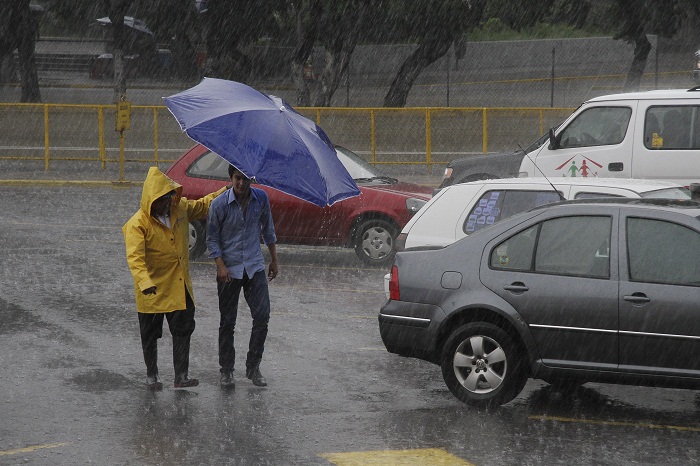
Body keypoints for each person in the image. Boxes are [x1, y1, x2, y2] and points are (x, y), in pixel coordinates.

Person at [123, 166, 226, 391]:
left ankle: (181, 375)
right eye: (163, 199)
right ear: (152, 199)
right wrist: (145, 282)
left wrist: (225, 191)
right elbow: (136, 259)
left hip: (179, 287)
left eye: (170, 197)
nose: (168, 203)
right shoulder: (137, 225)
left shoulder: (180, 209)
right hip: (152, 289)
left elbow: (203, 206)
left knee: (183, 330)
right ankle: (152, 375)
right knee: (150, 334)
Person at [207, 165, 279, 388]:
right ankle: (226, 370)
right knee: (228, 322)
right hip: (229, 270)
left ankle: (253, 367)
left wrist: (274, 259)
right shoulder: (219, 205)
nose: (241, 183)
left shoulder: (261, 198)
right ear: (231, 178)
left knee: (262, 315)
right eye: (238, 178)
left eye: (246, 179)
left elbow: (268, 230)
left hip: (254, 267)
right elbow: (211, 239)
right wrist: (220, 265)